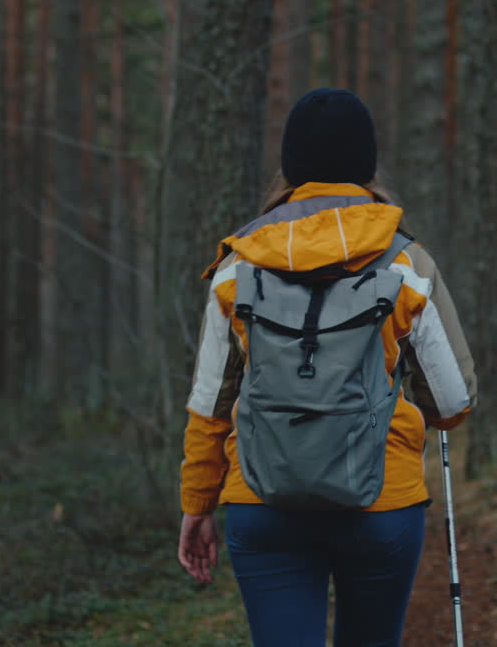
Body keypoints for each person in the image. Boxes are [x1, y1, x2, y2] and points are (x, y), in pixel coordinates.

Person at [176, 87, 477, 647]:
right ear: (366, 166)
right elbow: (453, 401)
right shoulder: (406, 262)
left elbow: (209, 404)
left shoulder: (236, 267)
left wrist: (198, 502)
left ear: (290, 168)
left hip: (262, 503)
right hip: (380, 503)